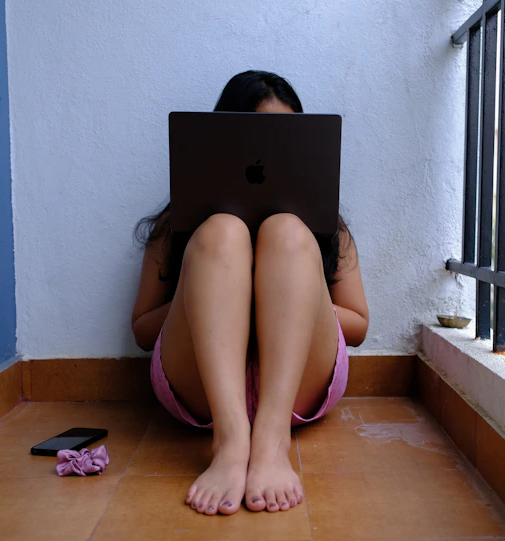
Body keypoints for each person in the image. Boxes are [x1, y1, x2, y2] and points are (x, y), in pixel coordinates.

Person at [132, 70, 369, 516]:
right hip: (203, 383)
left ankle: (272, 438)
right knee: (223, 231)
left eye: (285, 141)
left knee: (287, 232)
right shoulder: (180, 225)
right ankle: (230, 439)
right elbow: (143, 330)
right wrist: (208, 291)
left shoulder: (323, 226)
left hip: (298, 382)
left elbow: (357, 324)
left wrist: (287, 294)